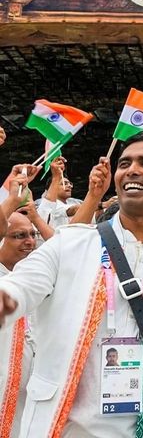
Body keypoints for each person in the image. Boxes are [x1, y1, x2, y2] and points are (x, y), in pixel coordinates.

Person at [0, 130, 143, 438]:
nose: (132, 170)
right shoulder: (70, 245)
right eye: (125, 163)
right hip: (66, 428)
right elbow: (15, 292)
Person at [0, 172, 38, 438]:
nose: (30, 242)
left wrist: (94, 196)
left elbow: (64, 245)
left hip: (31, 401)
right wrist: (11, 201)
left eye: (33, 234)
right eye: (19, 236)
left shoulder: (38, 279)